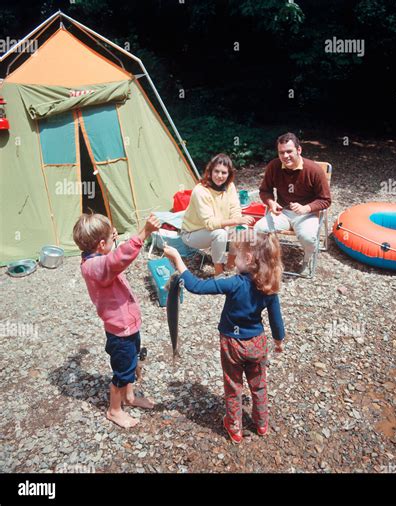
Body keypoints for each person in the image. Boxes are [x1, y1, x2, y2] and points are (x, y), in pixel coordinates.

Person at [164, 230, 285, 444]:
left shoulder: (234, 283)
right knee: (259, 385)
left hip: (232, 343)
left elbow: (196, 286)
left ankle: (234, 426)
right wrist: (278, 340)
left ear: (248, 259)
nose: (232, 259)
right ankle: (262, 423)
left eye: (235, 255)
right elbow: (276, 320)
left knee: (233, 386)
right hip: (257, 343)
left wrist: (177, 261)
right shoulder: (269, 287)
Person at [72, 212, 160, 428]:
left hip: (128, 327)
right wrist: (144, 232)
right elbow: (118, 257)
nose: (115, 239)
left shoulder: (96, 258)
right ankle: (114, 410)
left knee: (131, 364)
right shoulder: (96, 267)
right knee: (121, 373)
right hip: (120, 332)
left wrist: (113, 239)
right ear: (101, 245)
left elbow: (112, 252)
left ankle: (129, 398)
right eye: (111, 239)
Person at [254, 132, 331, 276]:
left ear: (299, 150)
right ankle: (265, 261)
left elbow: (326, 200)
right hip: (282, 212)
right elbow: (265, 190)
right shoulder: (274, 166)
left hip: (306, 215)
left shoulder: (314, 170)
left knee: (308, 237)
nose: (285, 156)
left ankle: (307, 260)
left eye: (289, 151)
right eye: (281, 152)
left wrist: (306, 208)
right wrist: (271, 203)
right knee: (258, 228)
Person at [180, 153, 254, 276]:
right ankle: (218, 272)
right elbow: (209, 224)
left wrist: (238, 223)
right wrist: (236, 221)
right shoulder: (200, 191)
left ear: (229, 174)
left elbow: (235, 208)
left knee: (240, 230)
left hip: (218, 227)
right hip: (192, 233)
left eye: (224, 173)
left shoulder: (229, 186)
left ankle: (230, 264)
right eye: (216, 171)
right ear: (210, 171)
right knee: (220, 234)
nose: (220, 176)